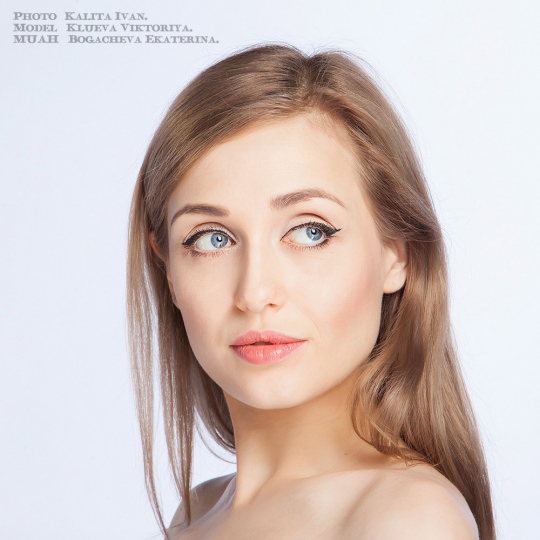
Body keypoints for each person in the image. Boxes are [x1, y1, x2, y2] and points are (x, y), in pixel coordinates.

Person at [127, 43, 495, 539]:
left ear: (397, 254)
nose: (255, 292)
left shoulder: (406, 519)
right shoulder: (197, 513)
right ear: (168, 269)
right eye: (212, 239)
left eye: (310, 231)